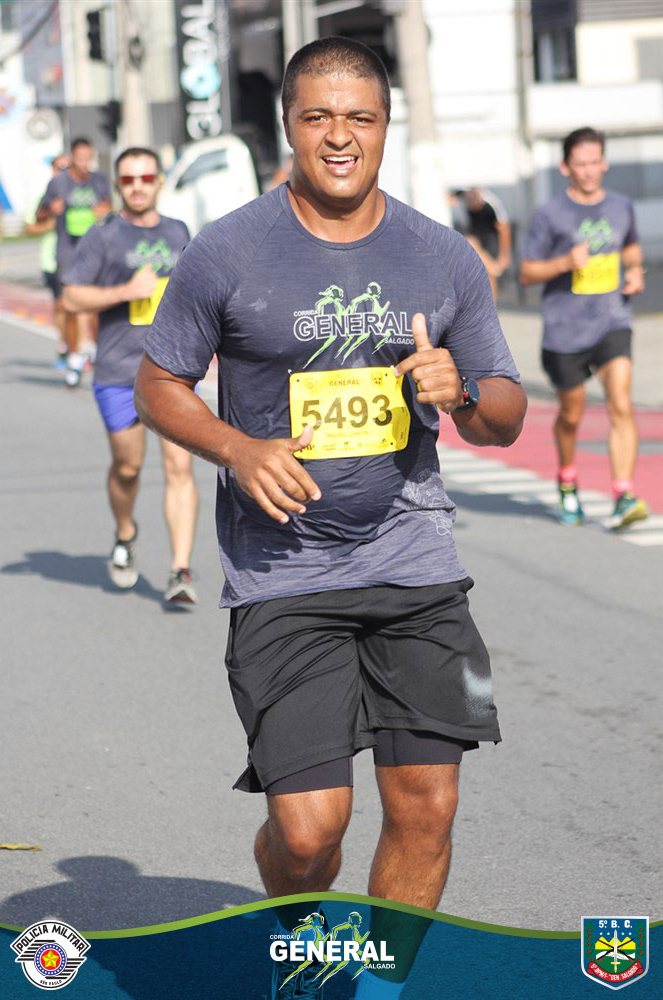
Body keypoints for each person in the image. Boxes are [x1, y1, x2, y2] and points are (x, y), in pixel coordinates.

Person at [135, 38, 526, 998]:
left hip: (415, 561)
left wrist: (461, 389)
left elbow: (505, 414)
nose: (340, 136)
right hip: (284, 573)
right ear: (289, 127)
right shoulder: (227, 249)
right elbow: (158, 383)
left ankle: (377, 985)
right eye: (318, 117)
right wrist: (237, 448)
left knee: (426, 806)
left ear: (385, 126)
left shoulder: (441, 255)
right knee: (309, 834)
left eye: (360, 117)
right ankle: (301, 927)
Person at [62, 147, 199, 605]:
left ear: (158, 181)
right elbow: (71, 297)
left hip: (173, 371)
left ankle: (181, 571)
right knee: (128, 468)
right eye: (127, 180)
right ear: (118, 185)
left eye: (145, 178)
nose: (137, 186)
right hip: (119, 372)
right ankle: (125, 532)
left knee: (179, 466)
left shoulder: (178, 231)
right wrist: (126, 290)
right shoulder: (103, 235)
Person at [520, 126, 648, 529]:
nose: (589, 170)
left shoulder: (621, 206)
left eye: (595, 162)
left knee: (621, 403)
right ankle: (567, 483)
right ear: (566, 168)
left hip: (612, 320)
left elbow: (630, 246)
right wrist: (564, 263)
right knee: (572, 415)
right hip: (565, 331)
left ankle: (623, 494)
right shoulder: (551, 214)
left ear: (604, 164)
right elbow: (526, 272)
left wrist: (634, 271)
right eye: (581, 164)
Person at [38, 137, 111, 387]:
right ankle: (72, 356)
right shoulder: (58, 183)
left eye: (87, 157)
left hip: (95, 250)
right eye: (79, 158)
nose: (84, 162)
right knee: (70, 306)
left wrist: (105, 212)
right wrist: (51, 209)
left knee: (98, 304)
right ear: (72, 158)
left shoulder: (99, 181)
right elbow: (39, 214)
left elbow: (110, 209)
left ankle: (95, 351)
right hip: (67, 251)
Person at [26, 154, 72, 367]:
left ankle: (80, 347)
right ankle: (64, 345)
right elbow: (30, 227)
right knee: (61, 305)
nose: (63, 172)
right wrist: (50, 224)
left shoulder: (77, 195)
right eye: (59, 168)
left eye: (67, 168)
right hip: (51, 260)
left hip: (75, 259)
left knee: (79, 307)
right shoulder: (44, 197)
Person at [451, 187, 511, 299]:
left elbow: (504, 228)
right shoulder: (462, 197)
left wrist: (504, 256)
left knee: (489, 275)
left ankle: (490, 303)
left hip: (491, 236)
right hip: (475, 236)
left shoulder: (491, 203)